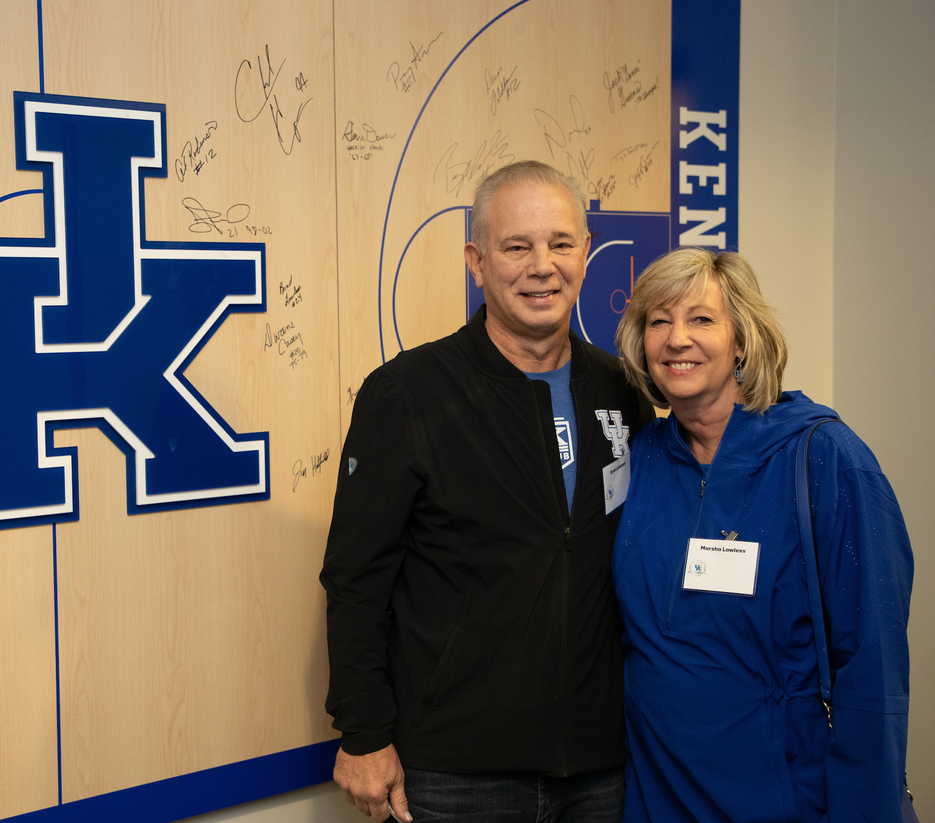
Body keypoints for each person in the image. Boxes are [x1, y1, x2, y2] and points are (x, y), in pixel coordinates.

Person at [320, 160, 654, 822]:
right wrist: (363, 734)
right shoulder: (407, 394)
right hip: (455, 773)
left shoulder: (624, 389)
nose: (542, 266)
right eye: (516, 246)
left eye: (560, 243)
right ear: (476, 261)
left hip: (599, 767)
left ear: (586, 253)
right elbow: (355, 580)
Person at [612, 248, 913, 821]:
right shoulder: (641, 458)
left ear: (743, 340)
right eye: (659, 321)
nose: (677, 339)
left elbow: (873, 672)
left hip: (782, 796)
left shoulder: (825, 460)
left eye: (702, 319)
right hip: (654, 797)